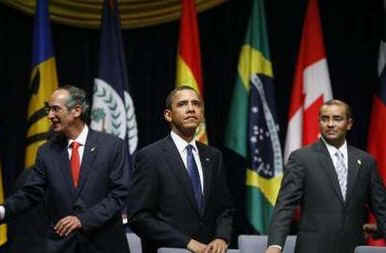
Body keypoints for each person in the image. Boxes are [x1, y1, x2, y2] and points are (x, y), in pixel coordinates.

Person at [1, 85, 130, 253]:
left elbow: (118, 194)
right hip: (62, 246)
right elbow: (30, 192)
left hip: (104, 244)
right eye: (49, 109)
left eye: (55, 109)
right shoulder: (46, 152)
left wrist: (82, 220)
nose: (50, 116)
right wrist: (3, 210)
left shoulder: (112, 146)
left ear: (76, 111)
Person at [266, 99, 386, 253]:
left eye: (337, 119)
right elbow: (285, 206)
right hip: (313, 248)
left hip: (353, 248)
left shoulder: (366, 161)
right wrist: (275, 245)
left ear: (349, 124)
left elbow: (382, 208)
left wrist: (381, 228)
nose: (330, 124)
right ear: (319, 122)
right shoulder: (302, 158)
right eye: (325, 119)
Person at [127, 86, 233, 253]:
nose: (191, 108)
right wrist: (186, 242)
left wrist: (221, 237)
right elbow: (139, 217)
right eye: (183, 104)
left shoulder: (213, 156)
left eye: (196, 104)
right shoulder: (150, 156)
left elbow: (224, 209)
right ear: (168, 115)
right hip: (169, 250)